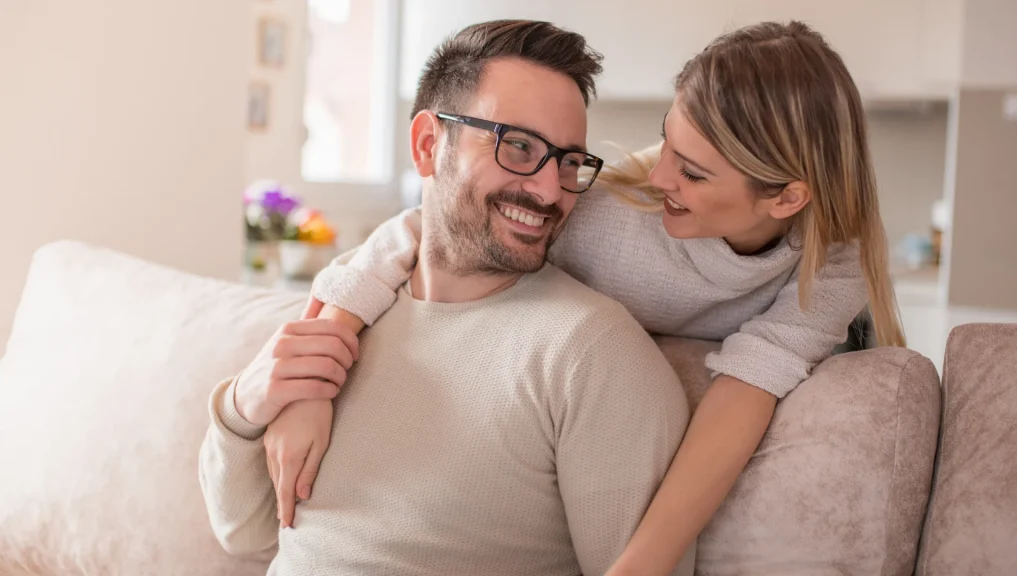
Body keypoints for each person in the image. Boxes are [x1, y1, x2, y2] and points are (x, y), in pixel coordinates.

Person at [265, 19, 908, 576]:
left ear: (787, 198)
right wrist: (310, 382)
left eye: (691, 171)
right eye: (666, 142)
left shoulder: (836, 255)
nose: (657, 178)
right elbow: (423, 228)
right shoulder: (606, 214)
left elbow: (749, 389)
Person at [199, 20, 696, 576]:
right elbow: (241, 532)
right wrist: (245, 405)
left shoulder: (592, 351)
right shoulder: (350, 300)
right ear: (428, 144)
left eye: (568, 162)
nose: (551, 189)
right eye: (519, 146)